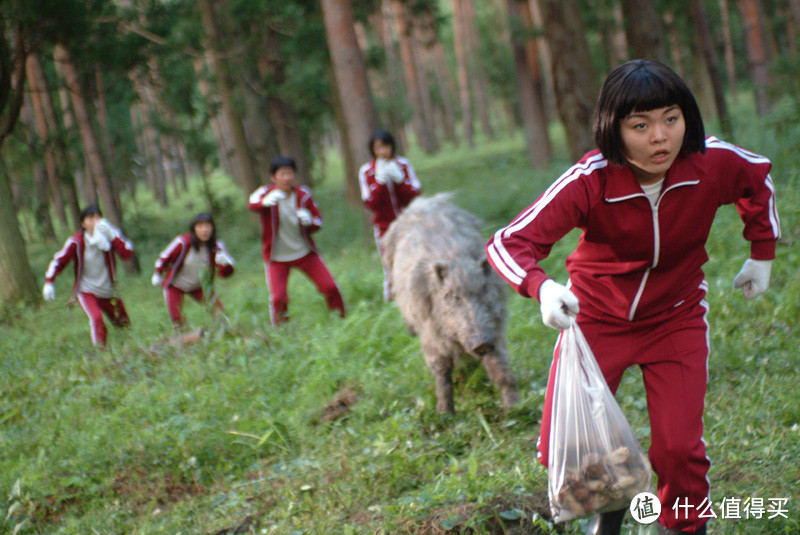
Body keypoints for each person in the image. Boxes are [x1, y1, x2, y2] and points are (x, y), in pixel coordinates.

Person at [486, 60, 780, 535]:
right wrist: (541, 288)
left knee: (678, 448)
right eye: (640, 125)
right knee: (570, 446)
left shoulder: (710, 162)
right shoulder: (591, 180)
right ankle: (609, 512)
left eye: (671, 118)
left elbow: (757, 181)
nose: (660, 137)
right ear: (613, 129)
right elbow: (509, 242)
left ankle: (682, 526)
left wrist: (761, 253)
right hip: (597, 319)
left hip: (676, 316)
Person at [248, 156, 346, 326]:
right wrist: (264, 203)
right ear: (273, 177)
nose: (286, 178)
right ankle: (282, 331)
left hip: (305, 253)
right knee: (278, 298)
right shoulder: (265, 193)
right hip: (276, 258)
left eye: (290, 173)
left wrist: (309, 222)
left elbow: (318, 222)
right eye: (282, 174)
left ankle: (341, 320)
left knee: (330, 287)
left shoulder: (303, 195)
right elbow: (252, 203)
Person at [42, 206, 136, 347]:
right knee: (96, 318)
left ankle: (131, 350)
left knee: (124, 324)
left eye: (98, 217)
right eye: (90, 219)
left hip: (109, 292)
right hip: (87, 291)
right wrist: (49, 282)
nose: (95, 222)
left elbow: (127, 253)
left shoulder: (111, 235)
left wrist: (112, 236)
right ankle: (101, 354)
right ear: (83, 223)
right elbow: (59, 260)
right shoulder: (77, 241)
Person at [358, 129, 422, 300]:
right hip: (384, 226)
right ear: (372, 150)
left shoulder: (403, 165)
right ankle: (392, 300)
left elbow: (415, 194)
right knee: (390, 264)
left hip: (409, 222)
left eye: (386, 146)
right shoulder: (367, 171)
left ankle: (415, 297)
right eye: (378, 148)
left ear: (392, 146)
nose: (383, 151)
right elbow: (370, 203)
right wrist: (379, 182)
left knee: (414, 260)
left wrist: (400, 180)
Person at [151, 212, 235, 327]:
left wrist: (225, 264)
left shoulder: (217, 247)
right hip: (176, 285)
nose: (204, 230)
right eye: (200, 226)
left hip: (199, 286)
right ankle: (183, 339)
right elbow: (165, 257)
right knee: (177, 320)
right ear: (193, 229)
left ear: (213, 228)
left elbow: (226, 274)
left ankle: (226, 332)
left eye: (207, 226)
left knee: (219, 313)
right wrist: (158, 273)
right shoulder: (183, 242)